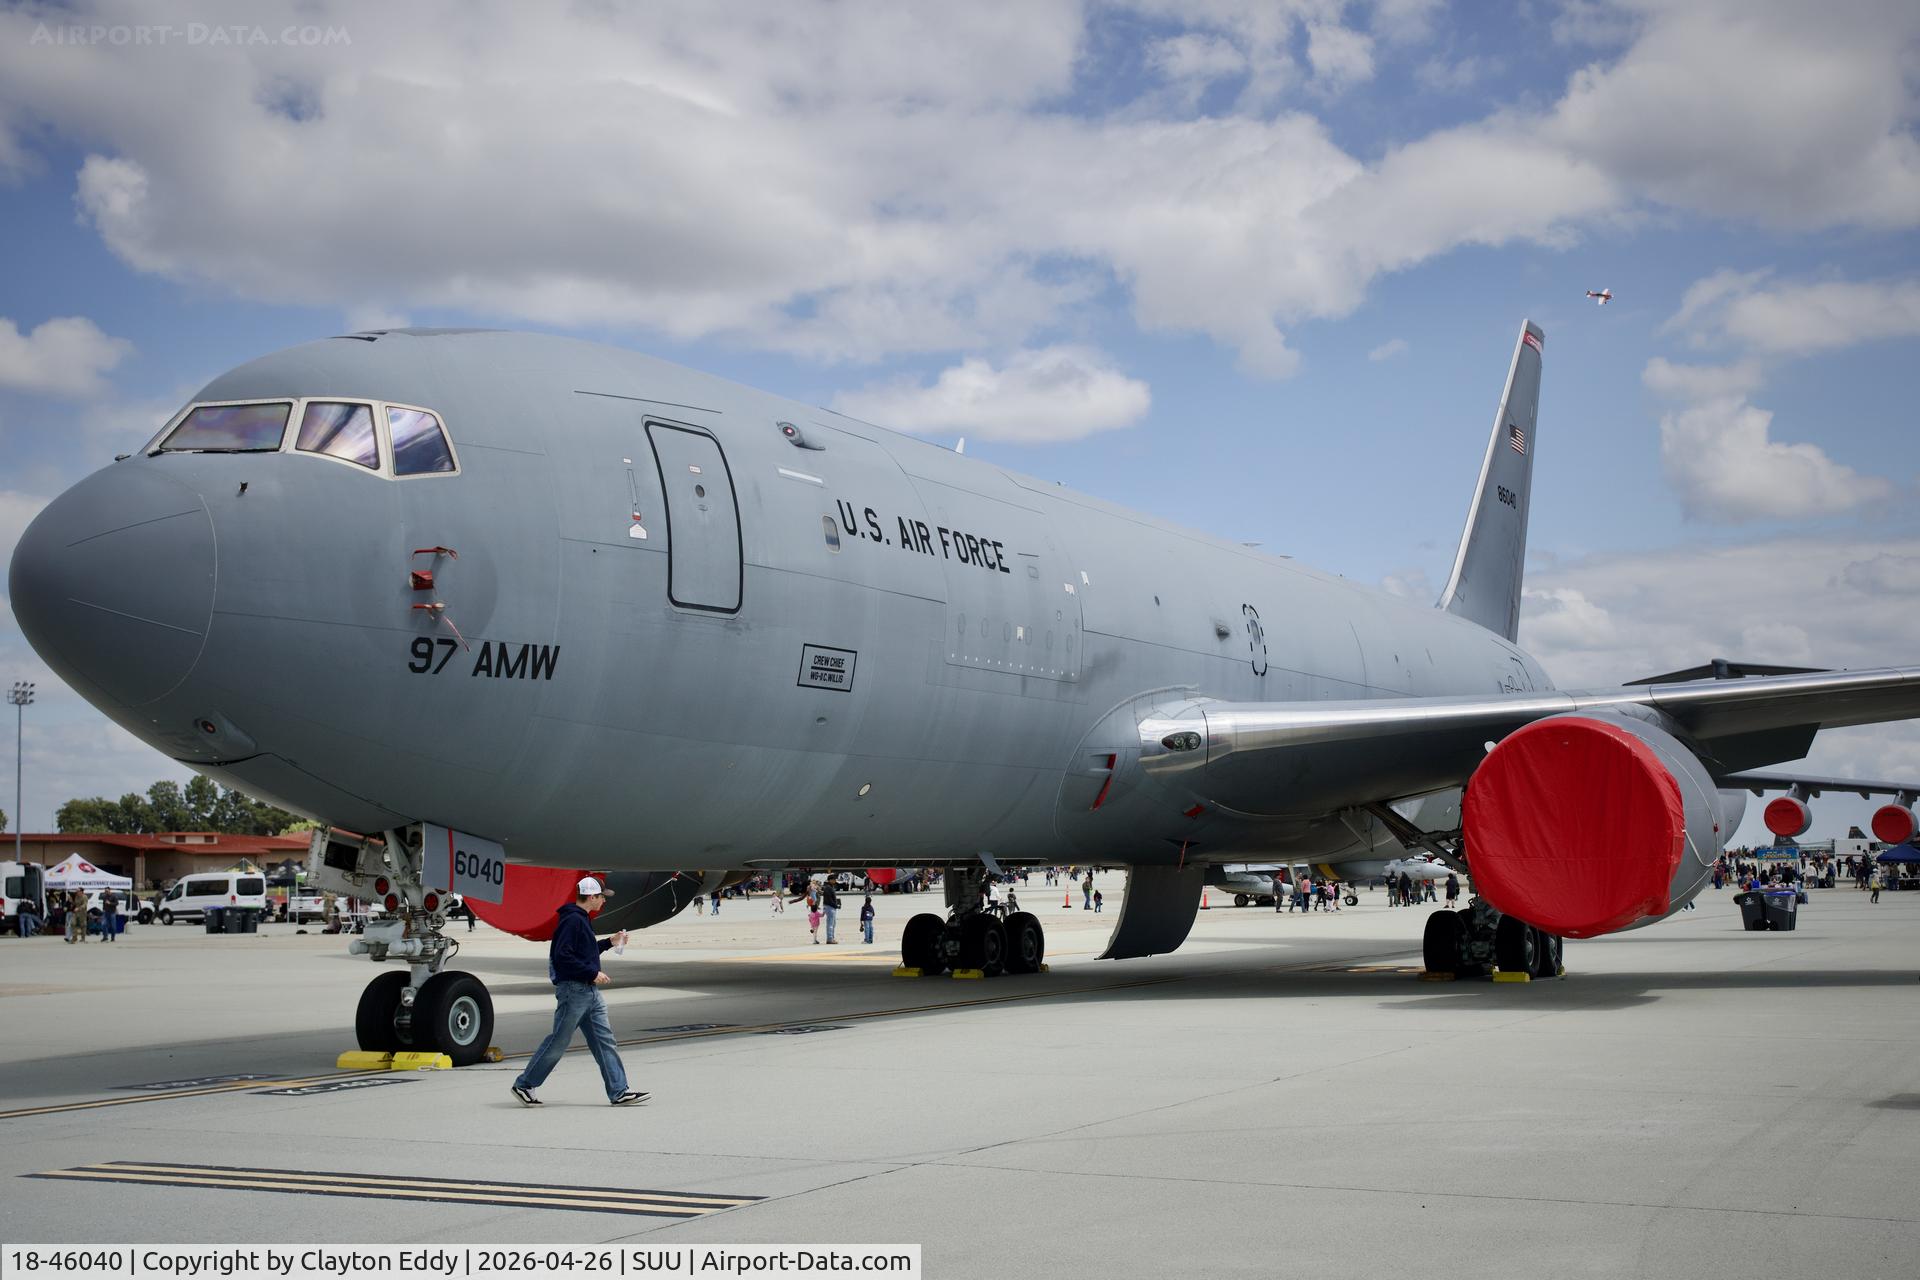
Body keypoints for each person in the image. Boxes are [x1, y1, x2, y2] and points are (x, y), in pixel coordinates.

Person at [511, 876, 645, 1107]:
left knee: (605, 1042)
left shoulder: (579, 919)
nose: (604, 900)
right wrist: (591, 973)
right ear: (591, 897)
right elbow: (562, 956)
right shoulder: (572, 920)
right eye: (602, 896)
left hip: (588, 992)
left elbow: (585, 951)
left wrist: (610, 942)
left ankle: (619, 1091)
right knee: (558, 1042)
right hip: (575, 991)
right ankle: (524, 1084)